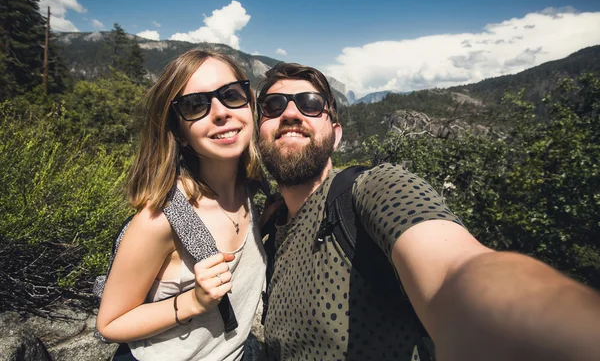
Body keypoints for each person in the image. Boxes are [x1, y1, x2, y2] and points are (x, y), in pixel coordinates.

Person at [256, 62, 600, 361]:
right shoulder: (271, 233)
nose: (290, 114)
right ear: (259, 133)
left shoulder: (371, 189)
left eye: (311, 104)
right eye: (273, 106)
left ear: (336, 134)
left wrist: (531, 323)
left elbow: (455, 267)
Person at [96, 49, 267, 361]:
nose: (219, 112)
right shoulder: (159, 219)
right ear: (180, 132)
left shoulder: (251, 192)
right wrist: (194, 302)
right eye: (195, 105)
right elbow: (109, 324)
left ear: (249, 104)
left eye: (231, 95)